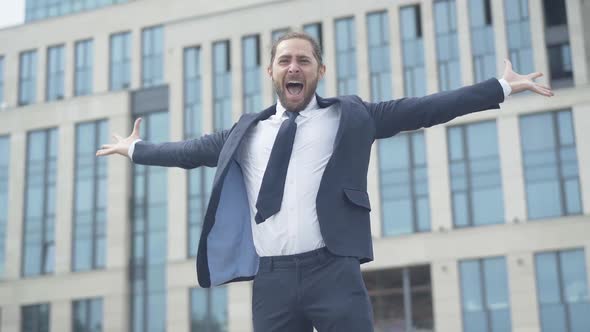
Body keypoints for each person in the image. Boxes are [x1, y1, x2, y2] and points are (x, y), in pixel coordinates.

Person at [96, 32, 553, 332]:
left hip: (332, 271)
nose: (294, 67)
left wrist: (500, 86)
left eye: (304, 60)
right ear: (272, 72)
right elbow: (187, 152)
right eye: (285, 60)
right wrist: (136, 149)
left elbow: (427, 107)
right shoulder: (246, 133)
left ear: (319, 71)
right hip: (271, 279)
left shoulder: (351, 117)